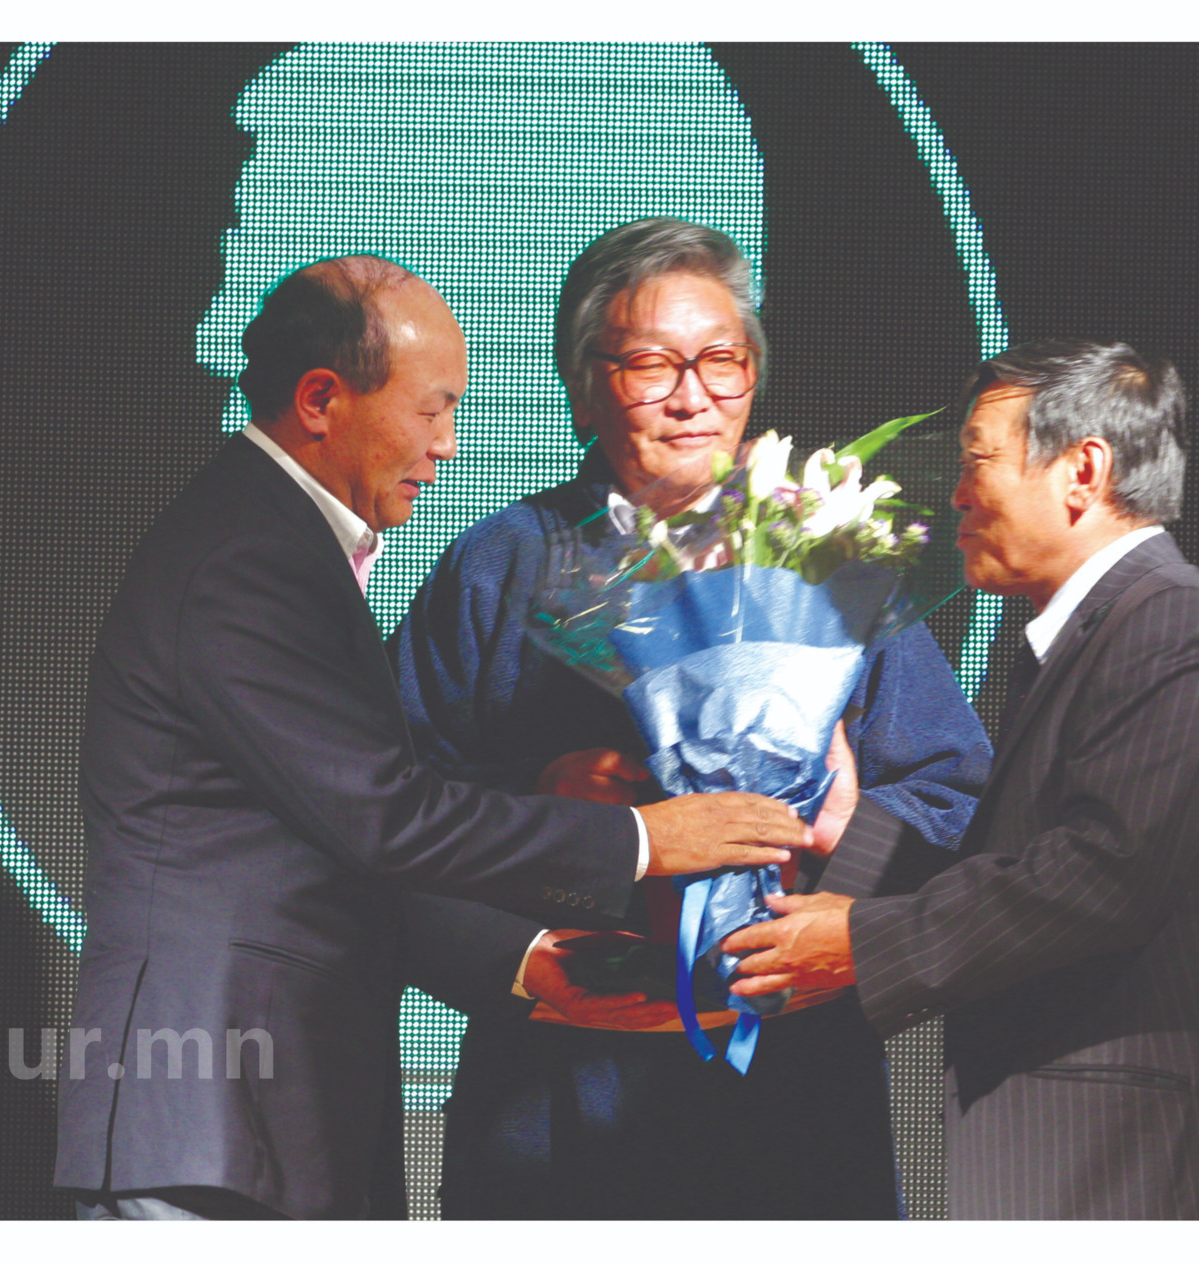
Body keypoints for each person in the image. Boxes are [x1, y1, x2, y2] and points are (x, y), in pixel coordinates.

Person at [53, 256, 813, 1220]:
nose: (447, 447)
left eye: (722, 362)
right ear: (321, 399)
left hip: (264, 1119)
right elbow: (386, 816)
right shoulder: (251, 556)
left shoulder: (273, 539)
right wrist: (642, 840)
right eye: (431, 410)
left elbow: (332, 844)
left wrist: (529, 957)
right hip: (211, 1115)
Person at [393, 219, 991, 1218]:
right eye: (650, 365)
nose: (692, 396)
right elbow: (385, 812)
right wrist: (543, 814)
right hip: (561, 1080)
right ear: (583, 386)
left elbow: (953, 791)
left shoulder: (827, 560)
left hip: (793, 1077)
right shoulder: (500, 565)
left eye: (722, 360)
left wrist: (838, 860)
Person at [724, 339, 1199, 1218]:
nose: (957, 495)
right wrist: (844, 829)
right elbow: (1027, 871)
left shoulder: (1180, 628)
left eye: (977, 462)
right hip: (1091, 1152)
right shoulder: (1097, 634)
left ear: (1083, 471)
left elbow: (1102, 878)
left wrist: (862, 944)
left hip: (1145, 1164)